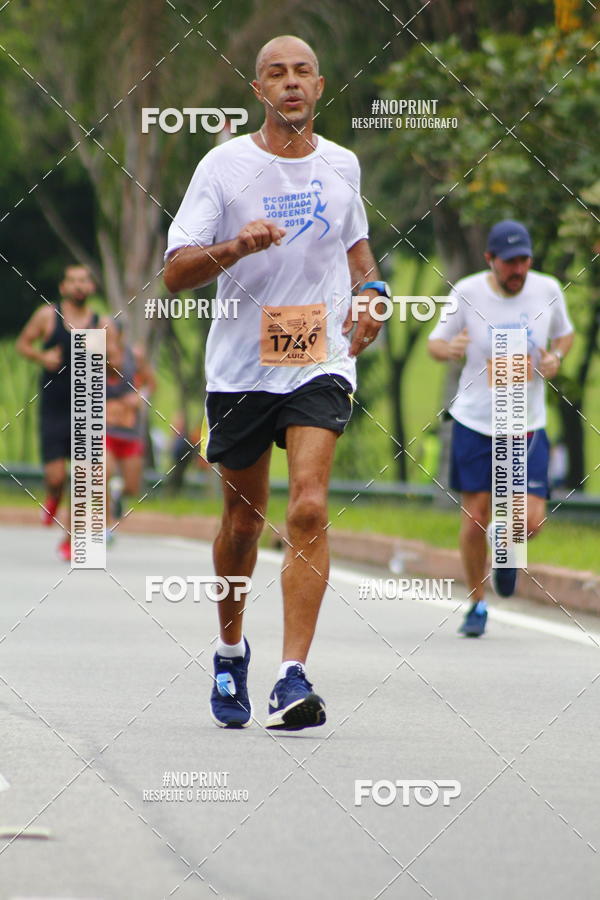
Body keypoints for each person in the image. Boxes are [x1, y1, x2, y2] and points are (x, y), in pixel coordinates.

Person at [164, 34, 386, 730]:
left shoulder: (342, 166)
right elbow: (176, 271)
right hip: (240, 370)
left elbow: (359, 256)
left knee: (310, 509)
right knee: (242, 522)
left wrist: (374, 296)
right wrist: (236, 246)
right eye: (275, 74)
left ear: (320, 87)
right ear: (258, 91)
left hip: (318, 360)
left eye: (301, 73)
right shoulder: (223, 167)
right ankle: (231, 648)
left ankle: (293, 677)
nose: (290, 83)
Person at [428, 220, 574, 636]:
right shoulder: (467, 293)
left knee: (530, 520)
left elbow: (565, 335)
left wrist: (555, 358)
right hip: (475, 421)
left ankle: (506, 545)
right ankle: (476, 603)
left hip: (526, 423)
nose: (518, 269)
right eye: (509, 262)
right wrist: (449, 348)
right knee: (475, 516)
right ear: (490, 259)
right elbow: (434, 343)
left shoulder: (547, 290)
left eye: (524, 260)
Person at [16, 265, 116, 561]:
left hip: (87, 405)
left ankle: (71, 538)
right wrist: (42, 356)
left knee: (83, 476)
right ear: (63, 287)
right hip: (54, 406)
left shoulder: (103, 324)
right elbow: (23, 344)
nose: (78, 286)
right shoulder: (48, 316)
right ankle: (53, 495)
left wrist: (105, 358)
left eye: (84, 281)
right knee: (57, 475)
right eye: (72, 281)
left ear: (92, 288)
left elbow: (115, 367)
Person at [106, 325, 156, 538]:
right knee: (102, 475)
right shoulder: (90, 355)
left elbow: (151, 384)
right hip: (103, 430)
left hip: (129, 432)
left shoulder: (134, 357)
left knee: (132, 487)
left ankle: (117, 494)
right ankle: (106, 527)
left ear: (120, 334)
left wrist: (140, 397)